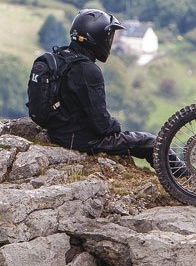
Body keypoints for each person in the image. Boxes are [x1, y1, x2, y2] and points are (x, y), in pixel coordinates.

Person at [46, 9, 157, 165]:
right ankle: (183, 177)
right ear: (97, 37)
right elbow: (102, 125)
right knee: (152, 142)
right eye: (108, 37)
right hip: (83, 140)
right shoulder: (88, 70)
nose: (109, 42)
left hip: (57, 133)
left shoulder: (59, 58)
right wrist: (116, 126)